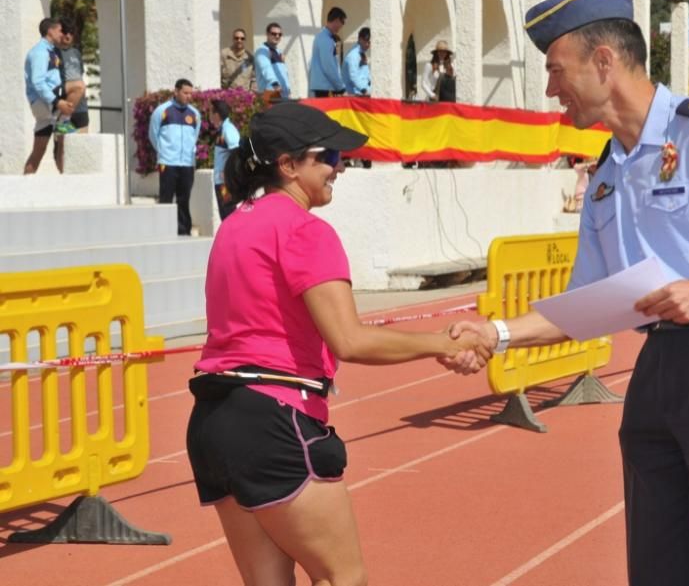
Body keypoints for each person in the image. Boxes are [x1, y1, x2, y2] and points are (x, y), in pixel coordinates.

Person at [442, 0, 689, 586]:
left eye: (556, 69)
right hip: (657, 368)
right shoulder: (604, 174)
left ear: (603, 61)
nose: (550, 90)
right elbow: (587, 305)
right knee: (657, 559)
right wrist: (495, 333)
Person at [186, 102, 487, 586]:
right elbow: (349, 340)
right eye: (326, 156)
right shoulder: (306, 230)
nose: (339, 167)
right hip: (274, 418)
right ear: (287, 165)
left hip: (214, 422)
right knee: (342, 578)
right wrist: (442, 344)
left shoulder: (235, 225)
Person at [149, 79, 201, 235]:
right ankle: (164, 231)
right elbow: (153, 134)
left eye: (190, 94)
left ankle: (184, 231)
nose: (188, 96)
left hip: (187, 163)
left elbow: (195, 137)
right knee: (166, 199)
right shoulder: (162, 111)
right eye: (185, 93)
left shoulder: (195, 114)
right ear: (176, 92)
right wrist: (164, 152)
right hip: (168, 162)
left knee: (184, 199)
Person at [23, 17, 74, 174]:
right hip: (48, 102)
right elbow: (38, 82)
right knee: (78, 86)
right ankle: (64, 121)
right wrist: (58, 102)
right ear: (50, 31)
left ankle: (23, 189)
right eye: (59, 30)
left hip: (47, 106)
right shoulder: (39, 52)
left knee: (38, 152)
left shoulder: (50, 51)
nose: (62, 34)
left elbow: (66, 44)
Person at [209, 99, 240, 221]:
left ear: (216, 114)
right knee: (226, 215)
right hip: (221, 181)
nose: (210, 116)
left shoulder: (228, 129)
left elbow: (236, 152)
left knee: (229, 216)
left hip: (225, 182)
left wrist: (229, 172)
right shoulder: (222, 129)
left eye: (211, 113)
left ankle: (234, 240)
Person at [308, 7, 347, 97]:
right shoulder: (326, 39)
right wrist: (341, 87)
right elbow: (328, 66)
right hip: (325, 87)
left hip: (323, 86)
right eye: (343, 22)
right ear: (337, 20)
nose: (342, 26)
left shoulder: (323, 37)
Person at [255, 22, 291, 101]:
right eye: (274, 34)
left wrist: (287, 90)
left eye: (279, 34)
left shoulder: (278, 52)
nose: (277, 36)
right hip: (270, 93)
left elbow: (283, 74)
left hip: (282, 95)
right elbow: (266, 68)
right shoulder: (262, 51)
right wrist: (275, 84)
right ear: (267, 34)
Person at [342, 27, 371, 96]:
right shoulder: (353, 55)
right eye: (366, 41)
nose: (368, 45)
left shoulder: (361, 53)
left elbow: (365, 73)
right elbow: (353, 76)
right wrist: (364, 90)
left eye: (369, 42)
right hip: (356, 94)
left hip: (362, 92)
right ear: (360, 39)